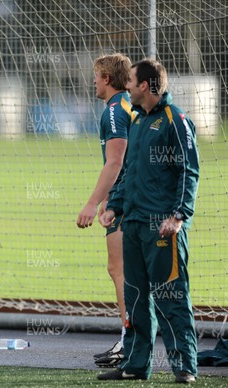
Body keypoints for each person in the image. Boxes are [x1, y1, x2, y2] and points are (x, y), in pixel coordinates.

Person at [98, 59, 199, 383]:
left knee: (171, 298)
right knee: (137, 298)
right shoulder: (138, 121)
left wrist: (178, 215)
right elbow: (129, 173)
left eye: (130, 80)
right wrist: (114, 206)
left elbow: (189, 171)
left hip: (163, 227)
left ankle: (184, 367)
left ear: (144, 85)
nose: (126, 85)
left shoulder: (176, 119)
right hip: (134, 224)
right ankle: (136, 365)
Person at [76, 53, 133, 367]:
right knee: (134, 272)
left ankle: (130, 342)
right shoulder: (130, 104)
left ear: (107, 79)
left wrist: (94, 203)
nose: (94, 82)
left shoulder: (113, 110)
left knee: (120, 270)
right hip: (136, 199)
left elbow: (116, 161)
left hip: (128, 204)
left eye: (96, 76)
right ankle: (133, 340)